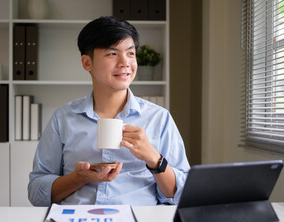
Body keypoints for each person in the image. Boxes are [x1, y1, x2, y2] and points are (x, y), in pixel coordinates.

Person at [28, 16, 190, 206]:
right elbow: (36, 193)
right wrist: (78, 178)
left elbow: (180, 195)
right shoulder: (63, 118)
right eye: (112, 54)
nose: (125, 63)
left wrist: (154, 159)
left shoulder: (159, 118)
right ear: (87, 63)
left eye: (130, 53)